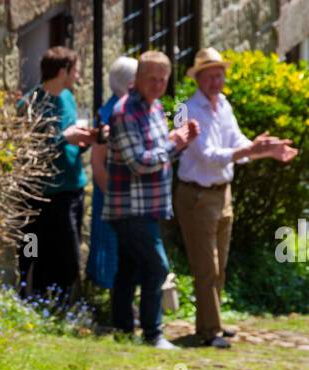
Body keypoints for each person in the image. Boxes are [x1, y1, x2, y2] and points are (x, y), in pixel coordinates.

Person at [174, 47, 298, 348]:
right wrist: (250, 150)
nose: (216, 82)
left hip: (221, 193)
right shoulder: (187, 110)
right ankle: (209, 331)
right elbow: (207, 155)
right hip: (198, 194)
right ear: (198, 79)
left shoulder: (224, 105)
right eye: (210, 76)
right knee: (207, 267)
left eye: (220, 76)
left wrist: (264, 150)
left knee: (220, 264)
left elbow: (237, 142)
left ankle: (211, 322)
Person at [103, 50, 199, 348]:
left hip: (149, 205)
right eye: (152, 79)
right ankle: (152, 333)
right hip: (131, 207)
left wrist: (179, 141)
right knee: (157, 267)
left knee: (130, 268)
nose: (158, 85)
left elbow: (158, 151)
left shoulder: (155, 107)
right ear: (138, 78)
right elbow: (139, 162)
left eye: (163, 79)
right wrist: (175, 144)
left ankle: (122, 330)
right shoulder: (124, 111)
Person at [16, 46, 95, 303]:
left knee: (69, 255)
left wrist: (84, 140)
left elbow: (71, 138)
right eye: (75, 71)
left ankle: (58, 304)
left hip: (74, 187)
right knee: (51, 253)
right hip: (48, 194)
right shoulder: (31, 104)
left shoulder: (68, 98)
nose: (78, 76)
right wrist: (63, 139)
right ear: (63, 72)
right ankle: (44, 302)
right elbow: (26, 149)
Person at [86, 54, 138, 290]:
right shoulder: (109, 115)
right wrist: (114, 196)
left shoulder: (125, 109)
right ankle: (113, 299)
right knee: (111, 247)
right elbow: (97, 163)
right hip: (112, 195)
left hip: (123, 195)